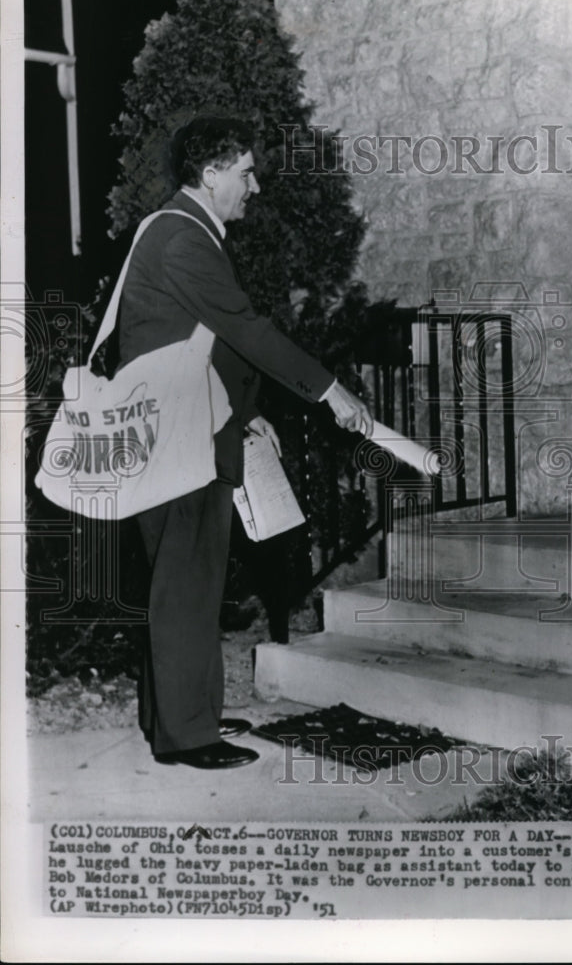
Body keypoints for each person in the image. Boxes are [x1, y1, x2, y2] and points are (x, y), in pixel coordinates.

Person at [117, 115, 372, 770]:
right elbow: (246, 330)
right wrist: (329, 390)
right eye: (246, 172)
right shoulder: (183, 240)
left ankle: (182, 715)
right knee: (184, 585)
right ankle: (186, 737)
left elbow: (206, 343)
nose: (254, 186)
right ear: (211, 173)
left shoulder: (186, 232)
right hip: (175, 442)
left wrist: (247, 413)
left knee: (194, 582)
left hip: (192, 430)